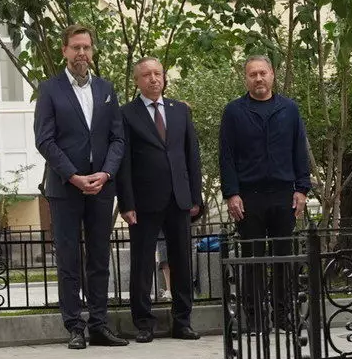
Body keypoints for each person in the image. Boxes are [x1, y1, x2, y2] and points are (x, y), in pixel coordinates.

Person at [33, 24, 127, 350]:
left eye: (86, 47)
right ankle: (75, 326)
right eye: (75, 48)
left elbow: (117, 138)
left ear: (92, 50)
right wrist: (73, 175)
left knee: (100, 257)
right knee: (69, 259)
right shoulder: (50, 90)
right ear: (64, 51)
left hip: (101, 187)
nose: (81, 54)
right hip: (65, 187)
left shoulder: (106, 89)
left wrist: (106, 174)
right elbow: (44, 140)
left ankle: (99, 324)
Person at [219, 55, 312, 329]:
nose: (258, 78)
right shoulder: (234, 111)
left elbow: (299, 151)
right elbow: (226, 155)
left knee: (284, 258)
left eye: (263, 73)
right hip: (249, 198)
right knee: (253, 260)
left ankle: (284, 316)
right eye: (252, 74)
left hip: (284, 195)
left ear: (272, 75)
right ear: (245, 78)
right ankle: (256, 318)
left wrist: (302, 189)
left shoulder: (289, 109)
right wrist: (231, 193)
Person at [116, 56, 203, 343]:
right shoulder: (126, 114)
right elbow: (124, 162)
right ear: (137, 81)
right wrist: (126, 203)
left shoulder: (180, 111)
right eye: (146, 75)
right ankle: (143, 323)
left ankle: (183, 321)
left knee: (181, 261)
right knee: (142, 263)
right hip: (143, 201)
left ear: (164, 78)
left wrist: (195, 195)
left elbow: (191, 156)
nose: (153, 79)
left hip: (179, 198)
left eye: (158, 74)